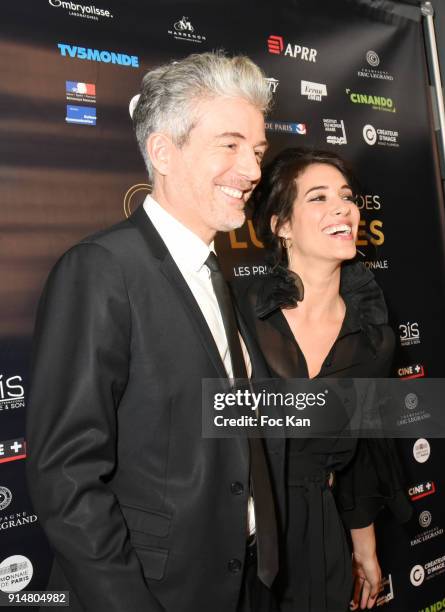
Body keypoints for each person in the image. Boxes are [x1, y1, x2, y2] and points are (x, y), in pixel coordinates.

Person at [26, 52, 281, 612]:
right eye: (231, 145)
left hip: (242, 582)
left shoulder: (219, 276)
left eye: (258, 151)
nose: (254, 171)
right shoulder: (100, 269)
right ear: (163, 151)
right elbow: (66, 478)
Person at [236, 148, 412, 612]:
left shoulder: (373, 337)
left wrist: (364, 548)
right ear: (281, 226)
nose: (343, 208)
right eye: (318, 198)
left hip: (317, 537)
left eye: (347, 197)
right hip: (235, 536)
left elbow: (365, 450)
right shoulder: (239, 312)